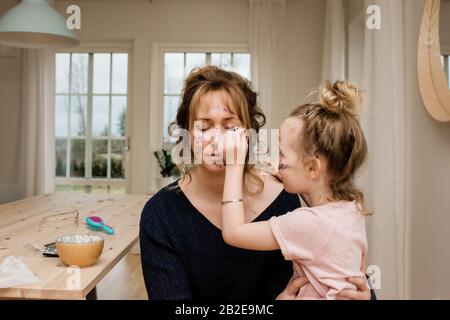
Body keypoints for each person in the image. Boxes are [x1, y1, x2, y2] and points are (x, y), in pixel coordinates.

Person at [139, 66, 373, 300]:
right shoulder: (161, 215)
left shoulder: (287, 195)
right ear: (187, 134)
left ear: (249, 133)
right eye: (204, 126)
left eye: (230, 127)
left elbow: (334, 266)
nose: (217, 138)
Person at [221, 80, 370, 299]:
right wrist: (290, 172)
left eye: (282, 155)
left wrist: (234, 165)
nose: (276, 161)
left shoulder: (307, 224)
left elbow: (234, 233)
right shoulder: (352, 209)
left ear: (312, 168)